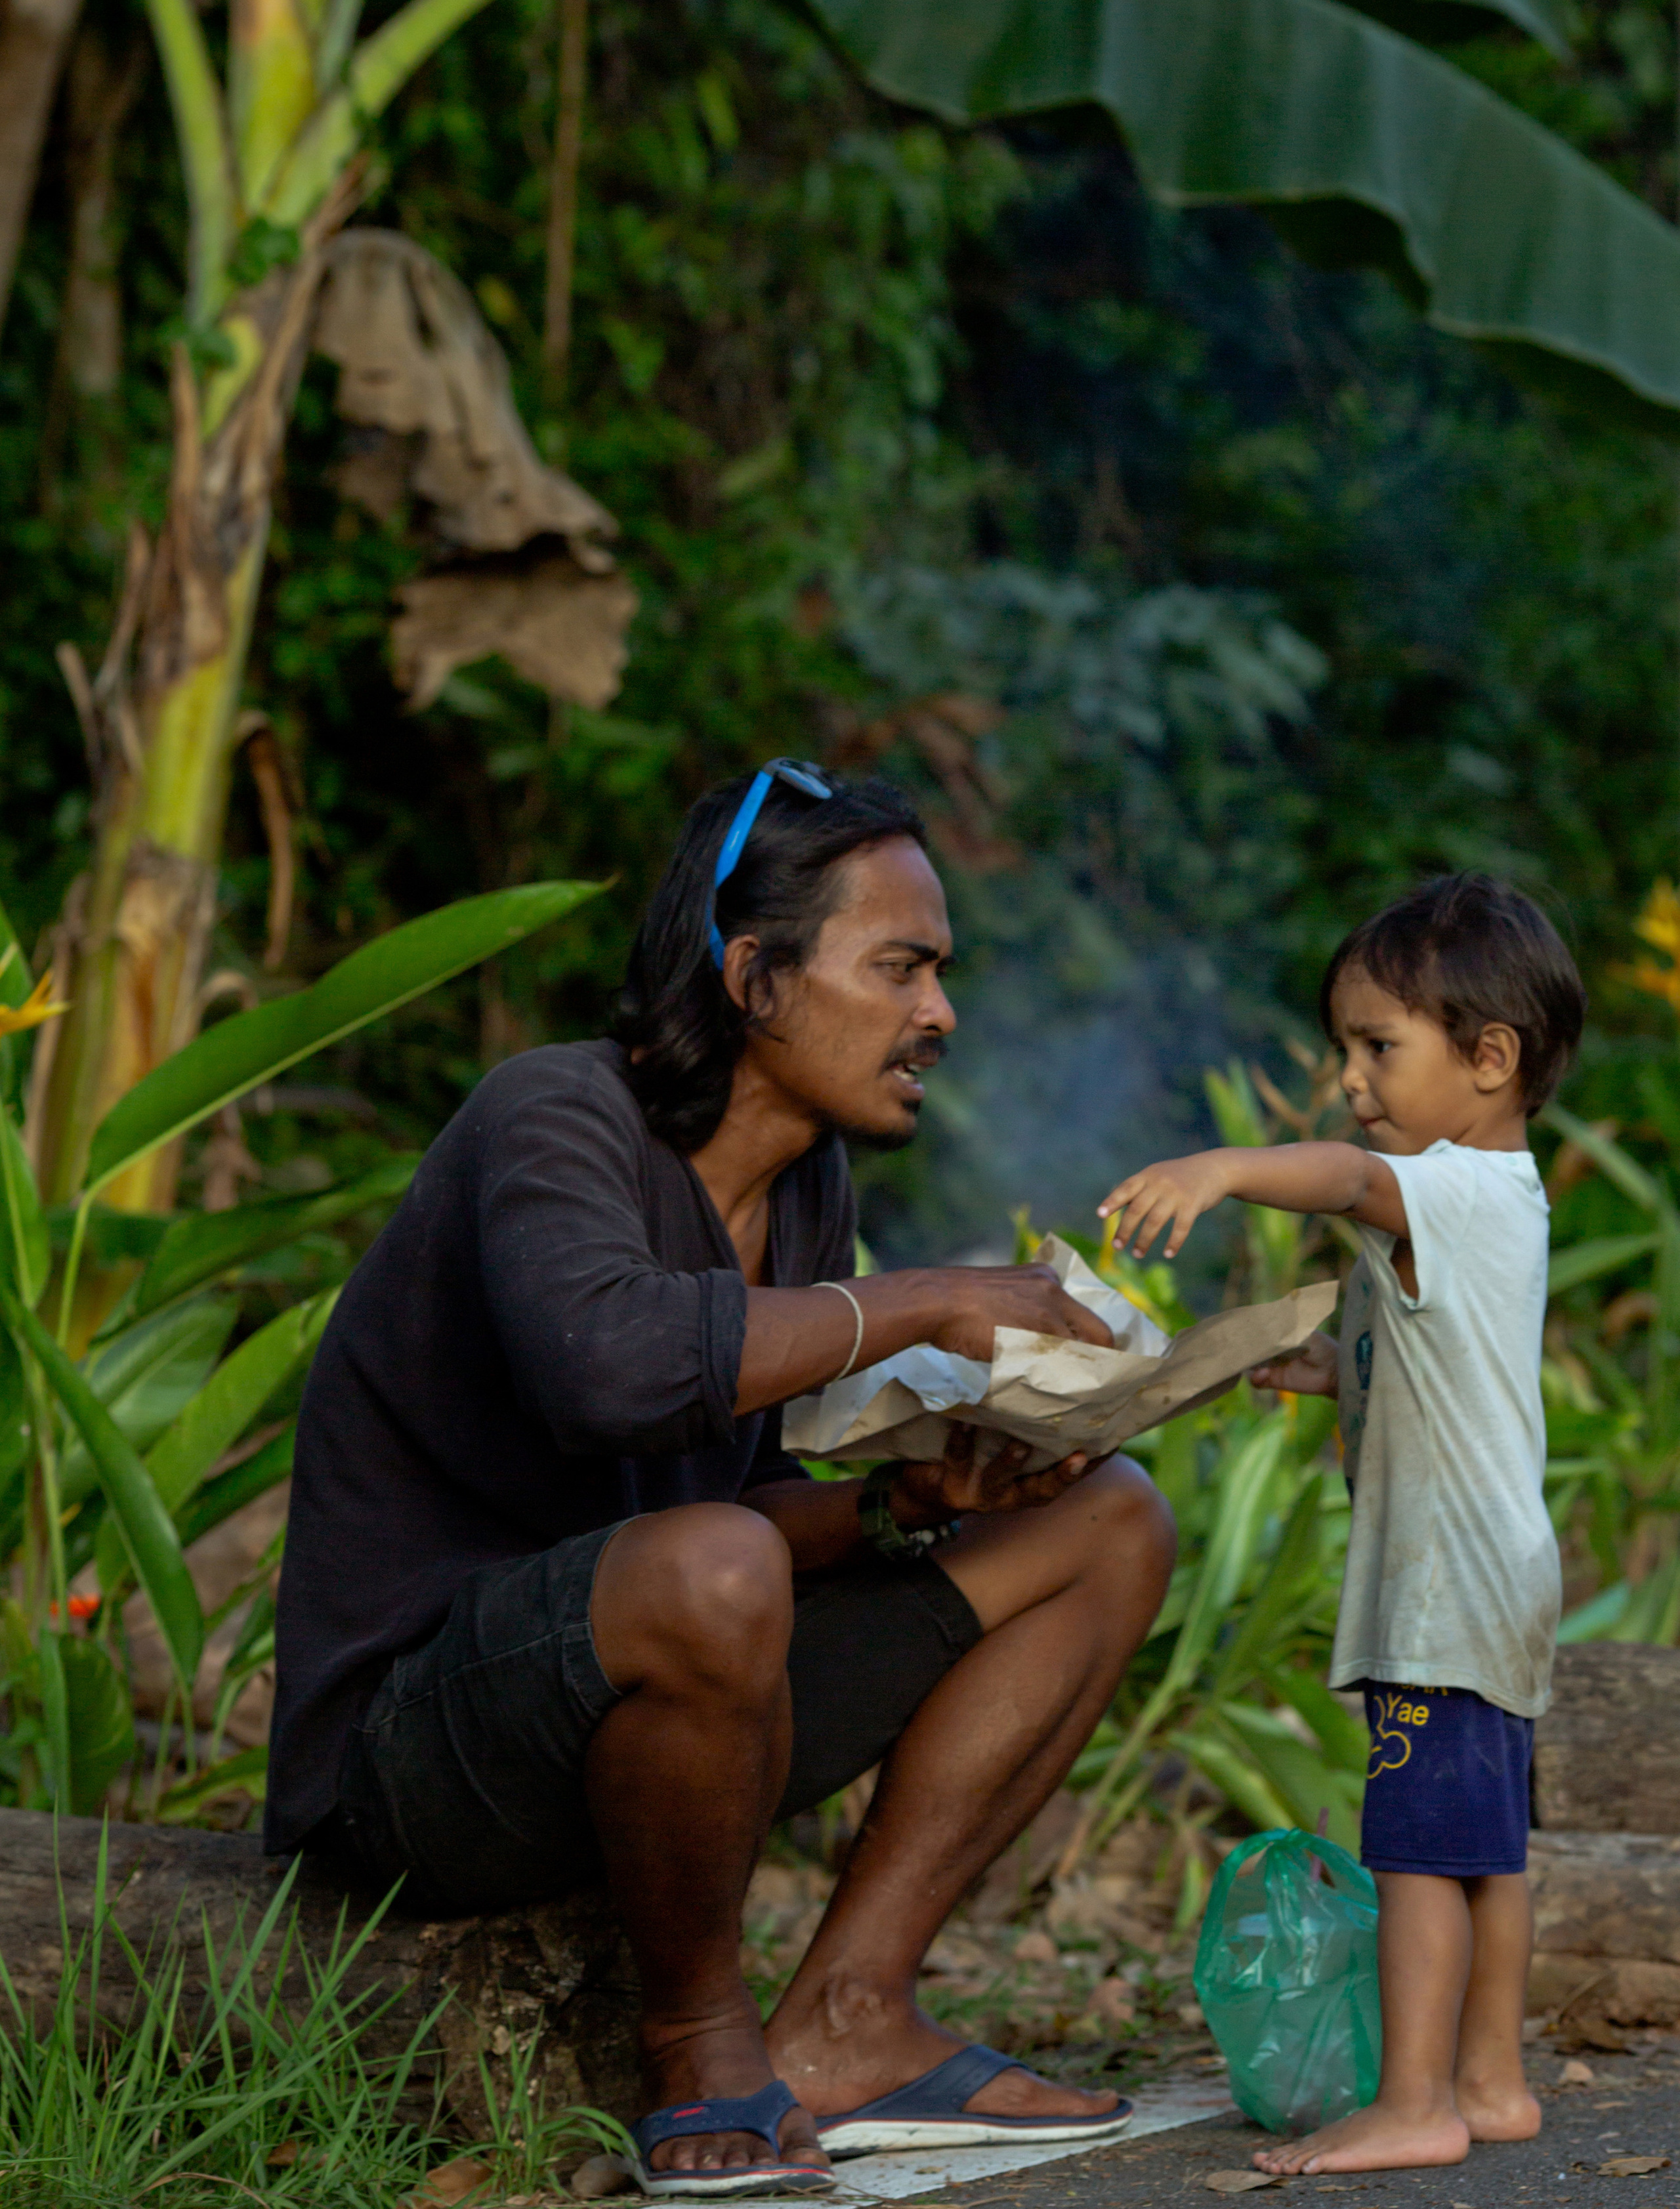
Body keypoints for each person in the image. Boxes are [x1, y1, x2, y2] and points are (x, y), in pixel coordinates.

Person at [268, 760, 1177, 2198]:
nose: (936, 1014)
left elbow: (742, 1510)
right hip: (418, 1757)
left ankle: (848, 2023)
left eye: (938, 975)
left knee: (1107, 1520)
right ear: (754, 978)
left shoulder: (804, 1188)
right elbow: (611, 1372)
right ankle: (696, 2042)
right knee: (708, 1568)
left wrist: (908, 1505)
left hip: (665, 1700)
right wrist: (926, 1301)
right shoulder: (551, 1117)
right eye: (900, 969)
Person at [1099, 874, 1585, 2177]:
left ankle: (1414, 2097)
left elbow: (1342, 1178)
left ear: (1489, 1060)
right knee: (1483, 1849)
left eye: (1378, 1047)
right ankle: (1486, 2082)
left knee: (1416, 1850)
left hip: (1441, 1591)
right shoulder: (1486, 1207)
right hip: (1491, 1574)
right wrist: (1326, 1373)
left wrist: (1221, 1167)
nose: (1351, 1078)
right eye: (1344, 1049)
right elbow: (1445, 1359)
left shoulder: (1454, 1191)